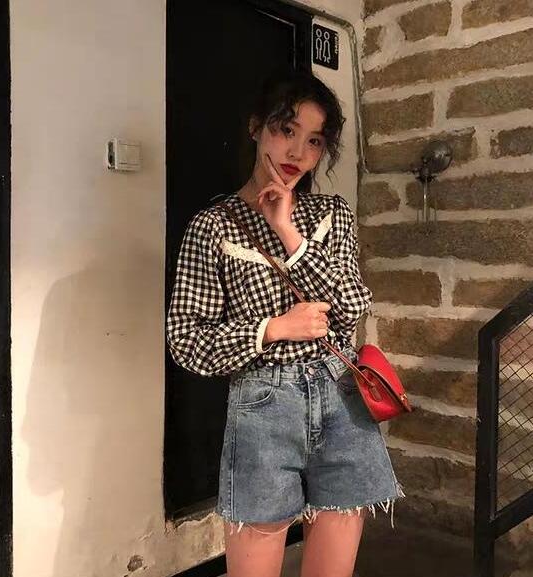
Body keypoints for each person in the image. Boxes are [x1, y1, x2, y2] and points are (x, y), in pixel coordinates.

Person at [166, 68, 403, 577]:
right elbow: (186, 340)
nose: (297, 151)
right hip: (263, 403)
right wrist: (272, 328)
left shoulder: (331, 214)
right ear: (256, 127)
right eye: (286, 129)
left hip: (342, 398)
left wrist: (288, 231)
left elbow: (349, 306)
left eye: (314, 141)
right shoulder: (213, 226)